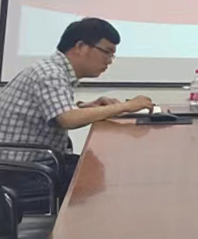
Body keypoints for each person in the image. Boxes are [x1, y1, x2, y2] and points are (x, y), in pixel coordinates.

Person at [0, 18, 154, 203]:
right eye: (106, 52)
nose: (109, 61)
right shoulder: (50, 73)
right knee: (103, 178)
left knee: (97, 167)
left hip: (32, 164)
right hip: (20, 172)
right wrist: (125, 106)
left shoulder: (53, 70)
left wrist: (85, 107)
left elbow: (53, 111)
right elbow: (68, 119)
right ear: (80, 46)